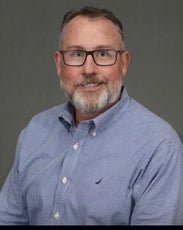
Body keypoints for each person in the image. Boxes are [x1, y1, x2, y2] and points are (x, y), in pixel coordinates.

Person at [0, 6, 182, 225]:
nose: (89, 69)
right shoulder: (34, 132)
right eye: (76, 54)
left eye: (103, 54)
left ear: (123, 63)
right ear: (59, 63)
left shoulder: (159, 146)